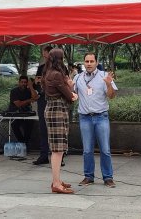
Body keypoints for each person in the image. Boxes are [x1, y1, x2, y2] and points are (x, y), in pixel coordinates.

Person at [73, 52, 117, 188]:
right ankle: (88, 176)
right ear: (84, 63)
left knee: (105, 149)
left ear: (96, 63)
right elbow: (72, 95)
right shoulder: (78, 77)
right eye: (87, 61)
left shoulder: (104, 76)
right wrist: (69, 86)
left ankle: (108, 178)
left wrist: (109, 85)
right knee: (87, 150)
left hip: (101, 117)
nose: (89, 64)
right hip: (85, 118)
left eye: (92, 61)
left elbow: (111, 96)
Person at [42, 48, 78, 194]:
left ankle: (56, 180)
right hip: (57, 109)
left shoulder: (48, 72)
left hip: (54, 108)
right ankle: (56, 183)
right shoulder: (56, 74)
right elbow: (70, 96)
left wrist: (69, 87)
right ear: (59, 59)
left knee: (58, 148)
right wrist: (72, 91)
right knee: (58, 149)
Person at [32, 46, 52, 165]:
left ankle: (60, 156)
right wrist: (36, 82)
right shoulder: (41, 68)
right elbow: (36, 85)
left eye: (46, 55)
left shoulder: (60, 67)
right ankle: (43, 155)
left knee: (56, 129)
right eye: (44, 56)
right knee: (43, 128)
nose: (45, 58)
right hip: (43, 100)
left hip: (55, 100)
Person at [8, 75, 39, 144]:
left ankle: (25, 143)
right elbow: (18, 104)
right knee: (14, 124)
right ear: (19, 82)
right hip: (15, 112)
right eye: (22, 82)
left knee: (30, 123)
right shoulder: (14, 91)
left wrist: (31, 86)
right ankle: (22, 142)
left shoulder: (28, 91)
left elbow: (36, 97)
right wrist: (29, 100)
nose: (23, 84)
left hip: (26, 112)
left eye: (25, 82)